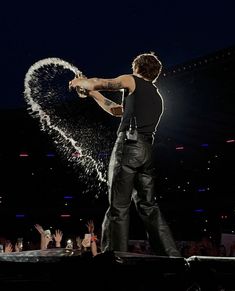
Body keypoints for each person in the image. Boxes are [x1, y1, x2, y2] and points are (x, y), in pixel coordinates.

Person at [69, 52, 180, 256]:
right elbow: (116, 111)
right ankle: (172, 257)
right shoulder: (157, 97)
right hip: (146, 152)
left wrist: (83, 82)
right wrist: (92, 94)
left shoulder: (131, 80)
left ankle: (115, 260)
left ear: (136, 67)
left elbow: (102, 82)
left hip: (128, 147)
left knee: (119, 206)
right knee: (148, 207)